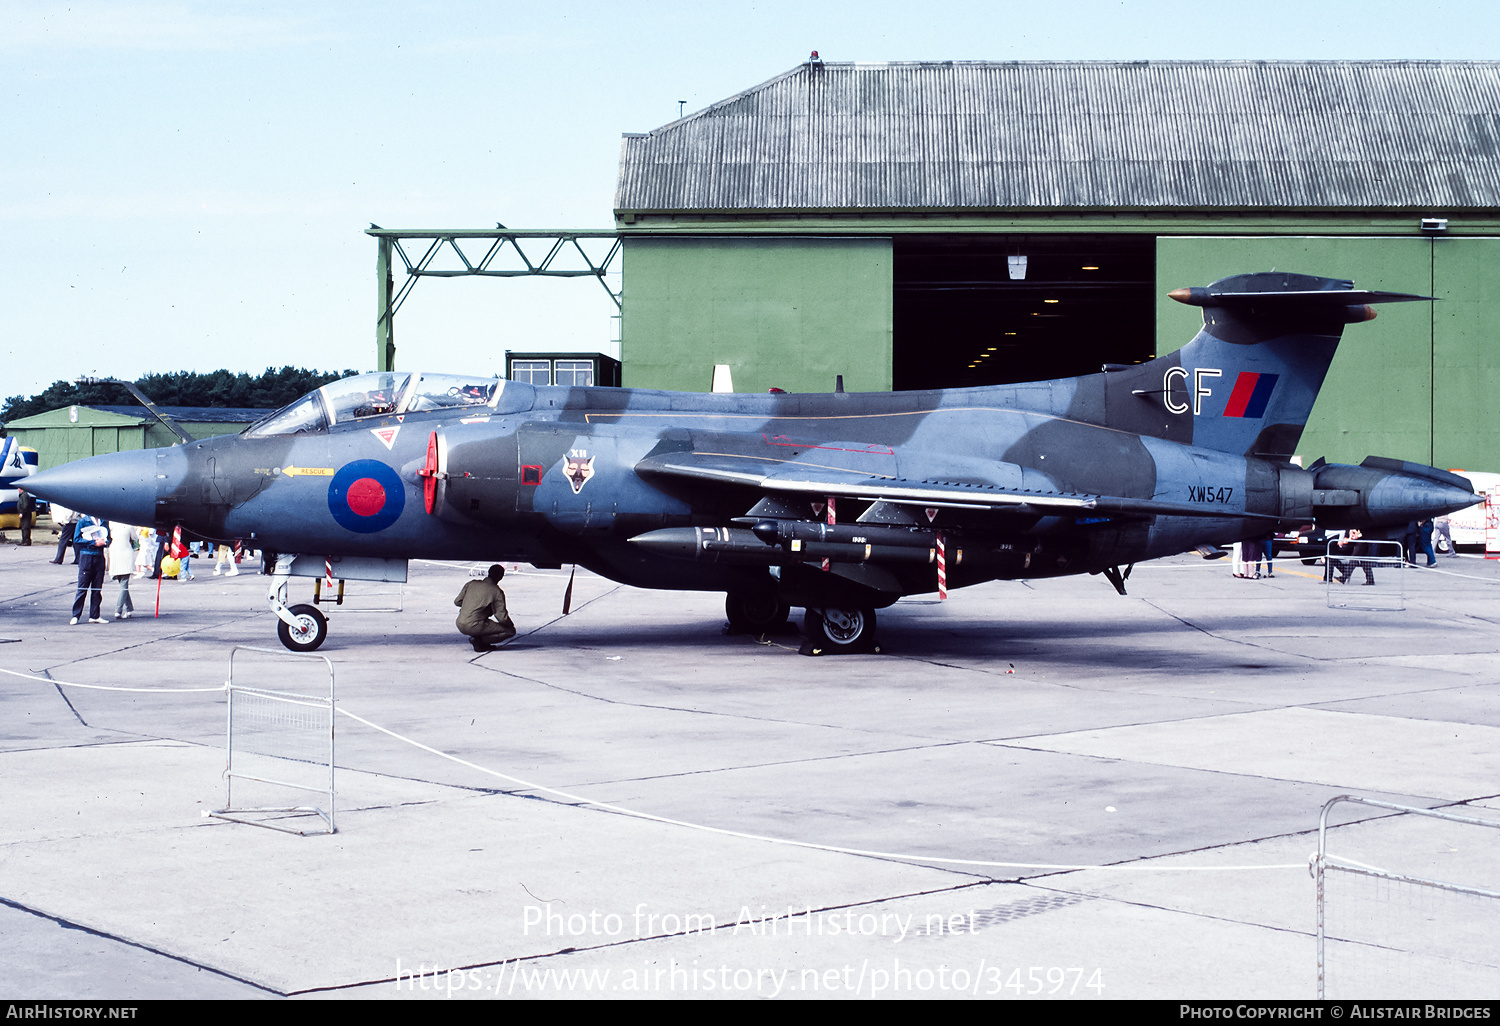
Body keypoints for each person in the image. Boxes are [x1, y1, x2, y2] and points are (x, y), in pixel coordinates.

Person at [454, 564, 516, 652]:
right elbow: (501, 617)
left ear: (489, 573)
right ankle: (480, 641)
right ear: (501, 577)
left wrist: (471, 606)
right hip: (475, 625)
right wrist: (510, 625)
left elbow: (457, 602)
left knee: (483, 623)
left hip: (460, 623)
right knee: (510, 631)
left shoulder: (472, 583)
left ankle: (478, 638)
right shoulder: (496, 591)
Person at [70, 515, 110, 623]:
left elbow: (109, 538)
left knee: (97, 588)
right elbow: (77, 539)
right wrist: (93, 543)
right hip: (87, 556)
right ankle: (76, 615)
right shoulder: (83, 521)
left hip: (99, 556)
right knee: (82, 588)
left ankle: (95, 615)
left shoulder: (103, 521)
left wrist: (105, 542)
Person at [106, 522, 138, 619]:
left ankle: (127, 609)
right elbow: (135, 538)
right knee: (123, 585)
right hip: (124, 553)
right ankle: (120, 610)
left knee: (123, 584)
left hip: (115, 553)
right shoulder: (129, 525)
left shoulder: (112, 525)